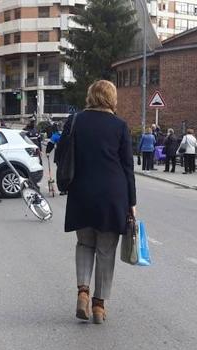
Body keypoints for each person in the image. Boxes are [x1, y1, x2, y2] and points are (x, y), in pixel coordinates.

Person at [63, 80, 136, 324]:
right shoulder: (120, 126)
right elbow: (128, 167)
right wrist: (131, 202)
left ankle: (82, 292)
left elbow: (61, 153)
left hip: (81, 192)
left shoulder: (75, 121)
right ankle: (98, 306)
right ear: (112, 98)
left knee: (84, 244)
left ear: (90, 96)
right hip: (112, 195)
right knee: (106, 250)